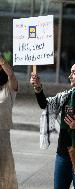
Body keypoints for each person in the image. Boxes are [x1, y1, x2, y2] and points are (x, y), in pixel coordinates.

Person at [30, 61, 75, 189]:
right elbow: (45, 105)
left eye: (74, 73)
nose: (69, 76)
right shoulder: (66, 96)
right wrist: (38, 88)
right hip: (63, 153)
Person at [0, 54, 18, 188]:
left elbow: (11, 75)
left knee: (4, 172)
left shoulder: (9, 87)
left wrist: (1, 60)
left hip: (2, 136)